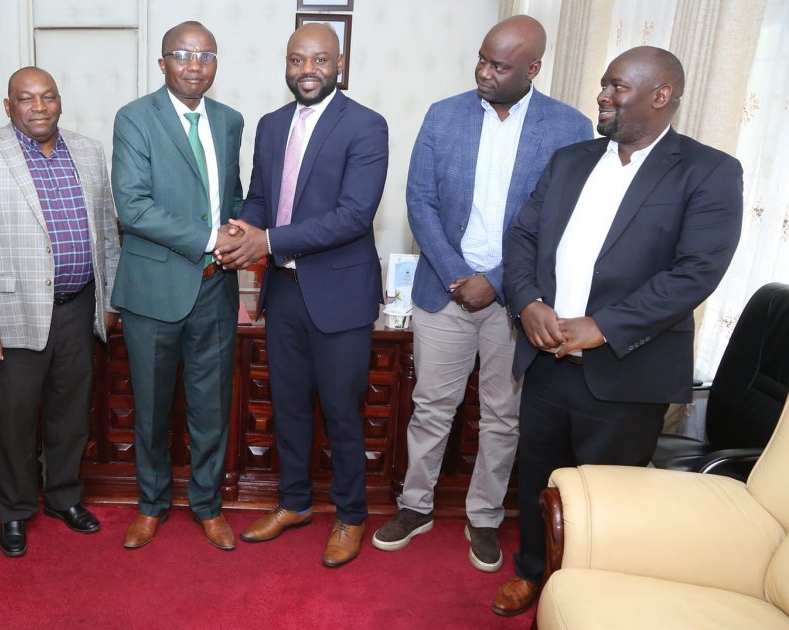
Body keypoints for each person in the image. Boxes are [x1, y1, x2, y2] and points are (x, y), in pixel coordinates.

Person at [493, 46, 743, 616]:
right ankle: (532, 572)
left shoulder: (708, 170)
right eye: (604, 84)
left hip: (628, 371)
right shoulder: (570, 160)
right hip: (547, 358)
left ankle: (590, 592)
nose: (602, 96)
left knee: (605, 498)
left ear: (661, 95)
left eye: (617, 87)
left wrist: (603, 327)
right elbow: (523, 236)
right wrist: (527, 303)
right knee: (539, 480)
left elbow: (696, 272)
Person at [372, 16, 591, 572]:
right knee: (430, 408)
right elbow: (419, 201)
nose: (484, 73)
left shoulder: (570, 127)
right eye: (482, 59)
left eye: (499, 66)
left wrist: (495, 279)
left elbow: (560, 219)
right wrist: (456, 274)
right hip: (444, 292)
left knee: (501, 416)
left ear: (533, 68)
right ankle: (415, 506)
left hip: (518, 301)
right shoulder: (443, 115)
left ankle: (485, 517)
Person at [216, 23, 388, 568]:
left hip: (339, 294)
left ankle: (351, 515)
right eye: (297, 60)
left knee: (341, 413)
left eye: (319, 59)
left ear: (340, 64)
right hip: (284, 291)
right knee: (288, 406)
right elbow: (260, 198)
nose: (307, 70)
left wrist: (268, 240)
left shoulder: (366, 125)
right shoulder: (271, 125)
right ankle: (294, 503)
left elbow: (353, 216)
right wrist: (244, 229)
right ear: (287, 65)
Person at [0, 67, 120, 557]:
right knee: (15, 420)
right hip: (12, 314)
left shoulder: (88, 151)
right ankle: (16, 509)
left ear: (60, 101)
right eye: (26, 99)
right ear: (9, 106)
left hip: (78, 308)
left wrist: (109, 302)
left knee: (71, 415)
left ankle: (64, 497)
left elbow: (107, 234)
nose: (39, 107)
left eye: (48, 97)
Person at [110, 20, 245, 551]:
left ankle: (208, 506)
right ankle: (151, 504)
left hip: (216, 287)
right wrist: (211, 237)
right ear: (162, 62)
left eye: (206, 55)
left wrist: (244, 233)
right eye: (183, 55)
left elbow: (232, 196)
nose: (195, 65)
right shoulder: (135, 118)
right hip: (153, 290)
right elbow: (134, 207)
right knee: (150, 408)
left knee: (211, 408)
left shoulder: (230, 121)